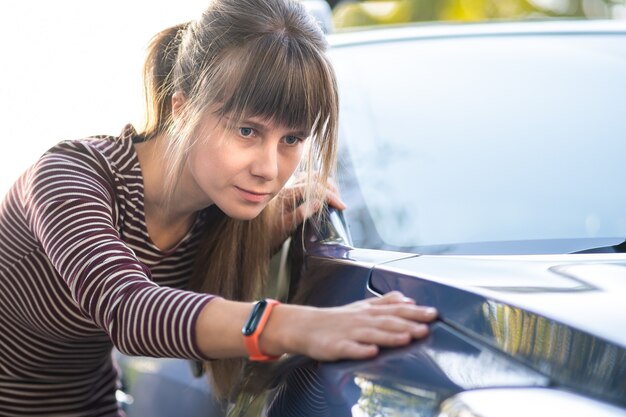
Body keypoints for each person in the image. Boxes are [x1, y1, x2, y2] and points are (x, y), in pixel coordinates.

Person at [0, 0, 437, 415]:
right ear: (181, 107)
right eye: (247, 130)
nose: (269, 168)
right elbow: (129, 309)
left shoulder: (220, 216)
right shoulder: (70, 178)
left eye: (291, 139)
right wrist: (307, 326)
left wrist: (265, 237)